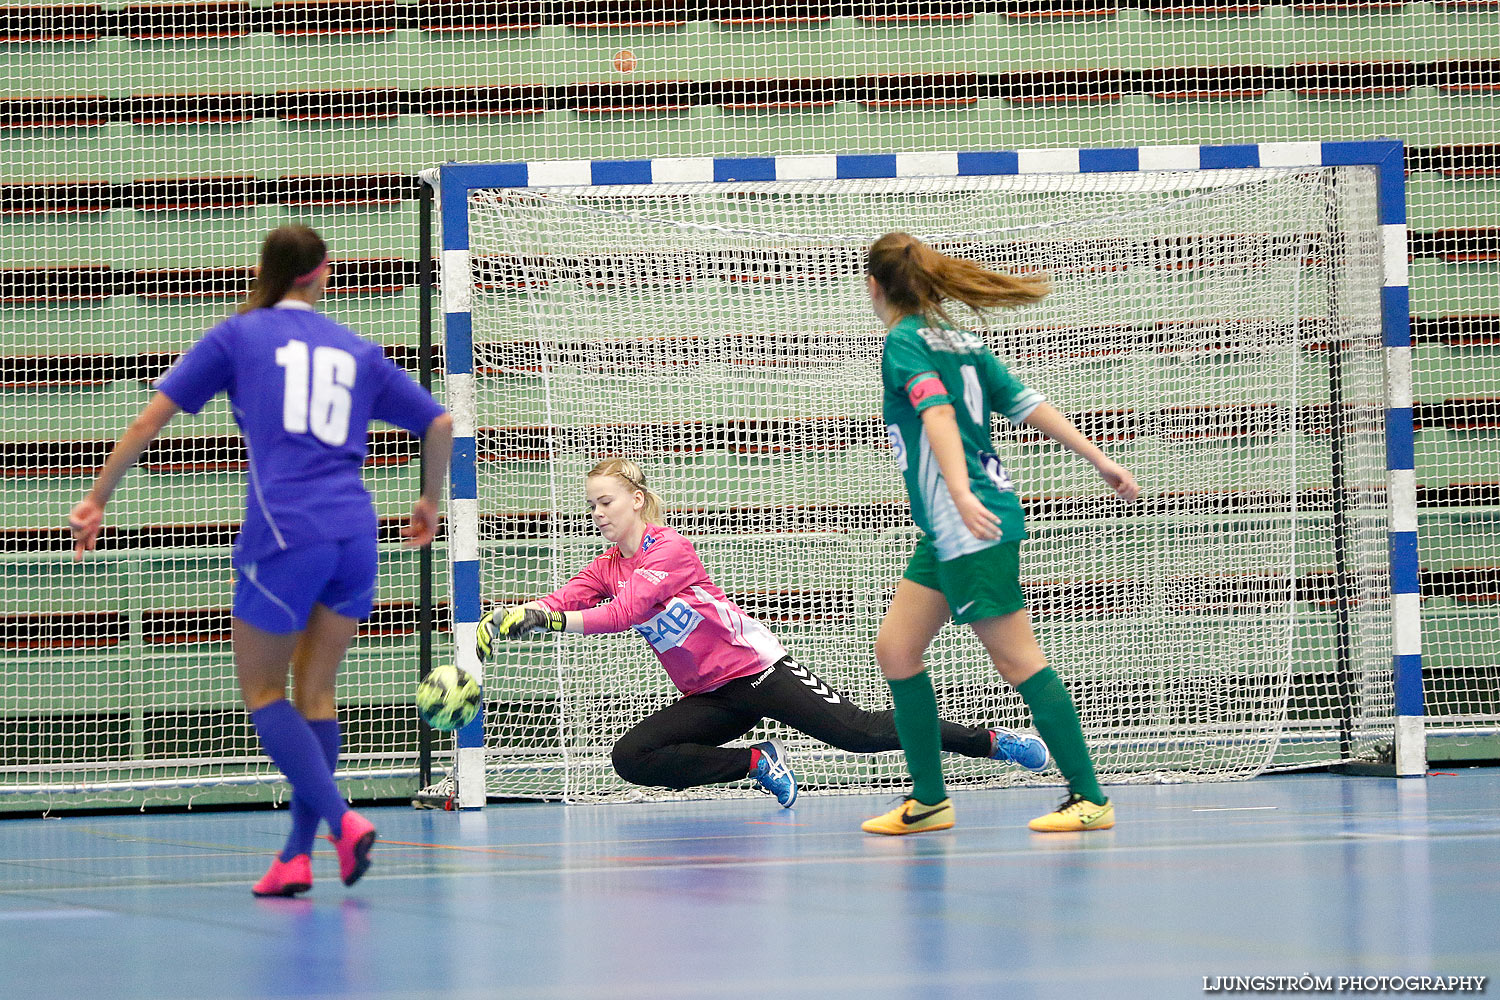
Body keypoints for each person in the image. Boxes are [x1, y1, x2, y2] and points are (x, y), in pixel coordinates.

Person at [68, 225, 453, 896]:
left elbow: (145, 422)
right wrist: (428, 502)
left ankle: (341, 821)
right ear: (324, 272)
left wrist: (97, 497)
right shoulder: (356, 349)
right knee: (318, 691)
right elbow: (440, 422)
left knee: (263, 692)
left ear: (268, 271)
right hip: (355, 531)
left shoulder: (238, 335)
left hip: (285, 531)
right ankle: (295, 858)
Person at [476, 458, 1050, 806]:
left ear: (636, 499)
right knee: (634, 757)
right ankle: (755, 763)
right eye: (591, 505)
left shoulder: (669, 549)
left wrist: (551, 620)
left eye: (605, 502)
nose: (597, 512)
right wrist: (509, 616)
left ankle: (993, 742)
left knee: (860, 734)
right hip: (710, 695)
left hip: (758, 672)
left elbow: (623, 613)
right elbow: (564, 600)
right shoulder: (607, 564)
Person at [860, 231, 1140, 836]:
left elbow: (935, 413)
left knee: (1017, 660)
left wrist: (959, 493)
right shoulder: (958, 339)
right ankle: (929, 800)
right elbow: (1025, 402)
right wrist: (1100, 459)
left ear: (874, 286)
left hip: (967, 523)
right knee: (898, 650)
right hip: (949, 526)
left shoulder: (904, 341)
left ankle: (1089, 797)